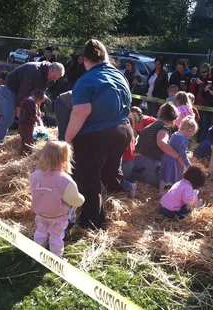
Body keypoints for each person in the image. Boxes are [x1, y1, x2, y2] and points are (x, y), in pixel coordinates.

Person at [65, 39, 132, 229]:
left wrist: (67, 139)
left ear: (85, 59)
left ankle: (92, 222)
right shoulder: (119, 75)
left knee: (89, 178)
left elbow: (80, 112)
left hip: (96, 136)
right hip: (123, 131)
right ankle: (120, 203)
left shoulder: (85, 81)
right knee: (111, 171)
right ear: (105, 56)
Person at [0, 61, 65, 149]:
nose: (53, 79)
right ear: (50, 69)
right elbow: (22, 93)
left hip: (26, 89)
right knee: (9, 117)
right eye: (54, 76)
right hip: (13, 87)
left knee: (27, 113)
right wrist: (19, 110)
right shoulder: (34, 71)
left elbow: (38, 94)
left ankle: (26, 138)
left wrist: (38, 109)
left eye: (56, 78)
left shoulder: (50, 79)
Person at [30, 141, 85, 257]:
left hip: (41, 213)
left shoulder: (35, 176)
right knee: (56, 236)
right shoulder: (65, 180)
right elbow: (75, 200)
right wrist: (82, 199)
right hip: (57, 216)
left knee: (40, 233)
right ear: (65, 158)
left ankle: (35, 256)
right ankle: (56, 258)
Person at [133, 102, 183, 188]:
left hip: (136, 165)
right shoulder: (163, 128)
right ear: (174, 118)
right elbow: (161, 143)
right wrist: (178, 157)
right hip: (149, 167)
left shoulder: (150, 126)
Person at [159, 116, 198, 193]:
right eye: (192, 133)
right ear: (189, 130)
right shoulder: (184, 140)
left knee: (164, 175)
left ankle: (160, 191)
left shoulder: (174, 134)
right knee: (176, 178)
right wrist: (188, 164)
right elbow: (183, 154)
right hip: (175, 162)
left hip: (167, 158)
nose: (191, 135)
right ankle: (174, 193)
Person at [19, 89, 45, 155]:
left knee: (24, 139)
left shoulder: (25, 101)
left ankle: (22, 152)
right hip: (27, 124)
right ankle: (28, 153)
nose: (38, 103)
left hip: (21, 123)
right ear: (37, 99)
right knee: (29, 140)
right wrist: (38, 119)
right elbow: (32, 115)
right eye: (39, 102)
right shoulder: (31, 104)